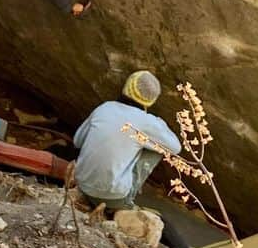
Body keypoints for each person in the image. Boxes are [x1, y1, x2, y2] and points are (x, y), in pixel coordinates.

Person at [73, 71, 181, 210]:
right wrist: (159, 123)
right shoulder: (147, 122)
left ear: (126, 87)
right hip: (113, 199)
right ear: (151, 100)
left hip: (82, 184)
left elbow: (77, 141)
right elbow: (175, 148)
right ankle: (127, 199)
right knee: (159, 149)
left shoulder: (105, 107)